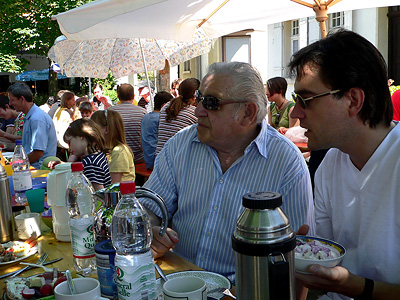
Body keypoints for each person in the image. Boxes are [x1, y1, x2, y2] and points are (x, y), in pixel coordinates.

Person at [141, 62, 315, 282]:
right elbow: (150, 208)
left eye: (211, 103)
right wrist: (152, 229)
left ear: (247, 113)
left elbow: (298, 255)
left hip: (245, 291)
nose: (198, 110)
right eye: (199, 97)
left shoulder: (286, 162)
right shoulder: (180, 145)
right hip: (180, 282)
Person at [289, 30, 400, 300]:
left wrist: (354, 285)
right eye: (295, 101)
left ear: (353, 100)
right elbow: (330, 263)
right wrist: (308, 255)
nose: (295, 113)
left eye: (306, 100)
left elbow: (344, 282)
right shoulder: (330, 163)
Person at [7, 82, 57, 170]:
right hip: (33, 167)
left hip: (38, 170)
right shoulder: (30, 116)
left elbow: (38, 153)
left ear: (22, 99)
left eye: (12, 100)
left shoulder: (37, 119)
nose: (10, 103)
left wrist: (17, 166)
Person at [63, 118, 112, 190]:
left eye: (70, 143)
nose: (69, 149)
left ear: (81, 137)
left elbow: (98, 193)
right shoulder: (98, 155)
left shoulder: (90, 163)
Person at [155, 78, 199, 156]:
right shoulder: (194, 113)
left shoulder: (166, 107)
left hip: (159, 158)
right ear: (195, 96)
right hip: (176, 160)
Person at [91, 110, 135, 183]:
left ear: (106, 130)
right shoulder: (107, 150)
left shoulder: (119, 151)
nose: (91, 131)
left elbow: (113, 186)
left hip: (121, 193)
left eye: (94, 128)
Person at [109, 83, 147, 164]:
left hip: (116, 156)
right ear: (133, 96)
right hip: (138, 158)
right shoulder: (143, 112)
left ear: (118, 96)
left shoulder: (109, 112)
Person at [141, 91, 173, 169]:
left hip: (147, 160)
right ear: (164, 105)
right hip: (157, 161)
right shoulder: (161, 118)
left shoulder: (145, 117)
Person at [53, 91, 80, 158]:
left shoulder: (59, 110)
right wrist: (65, 145)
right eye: (73, 100)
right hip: (63, 145)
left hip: (56, 143)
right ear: (67, 101)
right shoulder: (65, 114)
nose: (75, 102)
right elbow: (63, 130)